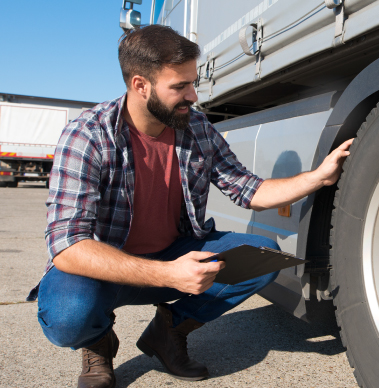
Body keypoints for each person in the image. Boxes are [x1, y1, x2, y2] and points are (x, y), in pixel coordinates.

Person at [29, 25, 353, 388]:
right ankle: (97, 343)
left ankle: (167, 333)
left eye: (192, 82)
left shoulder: (196, 128)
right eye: (179, 86)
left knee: (262, 257)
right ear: (141, 85)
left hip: (175, 252)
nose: (193, 95)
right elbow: (67, 246)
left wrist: (318, 177)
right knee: (67, 316)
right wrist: (169, 275)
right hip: (107, 266)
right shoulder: (88, 134)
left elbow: (249, 189)